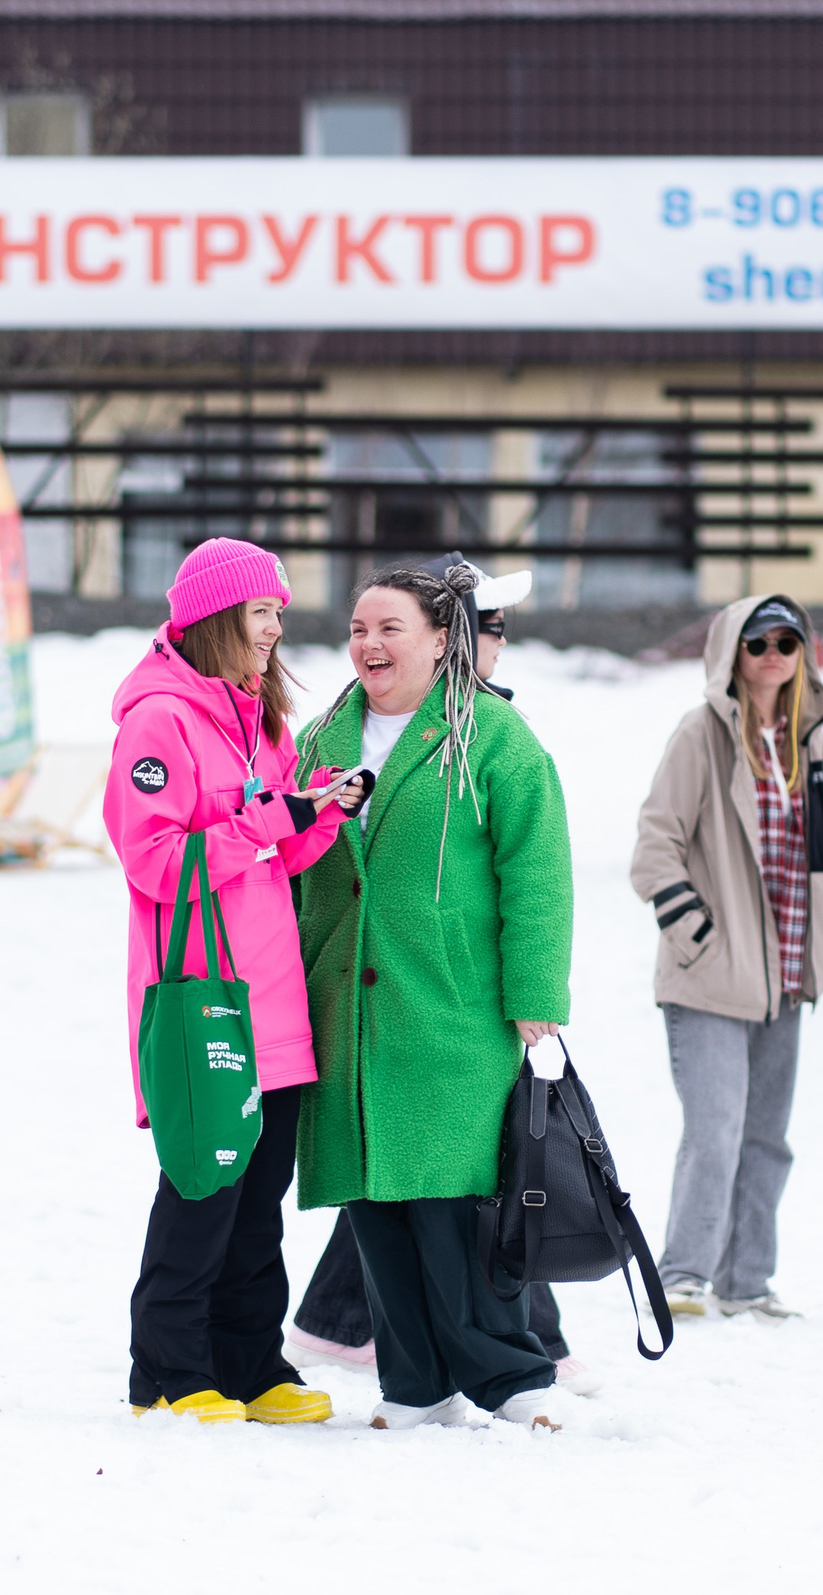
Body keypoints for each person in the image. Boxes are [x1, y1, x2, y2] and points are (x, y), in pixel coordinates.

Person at [285, 555, 603, 1396]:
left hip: (453, 1008)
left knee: (459, 1205)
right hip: (348, 1009)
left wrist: (536, 994)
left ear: (439, 640)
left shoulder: (490, 738)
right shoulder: (323, 738)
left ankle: (511, 1379)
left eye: (391, 628)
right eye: (358, 629)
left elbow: (537, 872)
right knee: (376, 1206)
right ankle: (414, 1385)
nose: (370, 645)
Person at [105, 539, 362, 1426]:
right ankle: (168, 1373)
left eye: (279, 614)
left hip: (273, 998)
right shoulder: (159, 723)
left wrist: (318, 813)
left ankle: (252, 1365)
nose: (276, 630)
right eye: (263, 613)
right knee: (204, 1188)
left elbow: (273, 851)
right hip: (200, 996)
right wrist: (266, 821)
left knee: (259, 1201)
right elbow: (154, 860)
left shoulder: (262, 719)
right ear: (219, 617)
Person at [631, 594, 823, 1321]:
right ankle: (684, 1273)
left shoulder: (806, 739)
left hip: (784, 971)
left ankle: (747, 1281)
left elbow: (808, 857)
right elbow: (654, 846)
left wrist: (817, 950)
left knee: (767, 1139)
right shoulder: (702, 734)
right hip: (712, 975)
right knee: (714, 1132)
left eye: (788, 641)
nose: (774, 655)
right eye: (758, 643)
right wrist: (698, 937)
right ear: (732, 653)